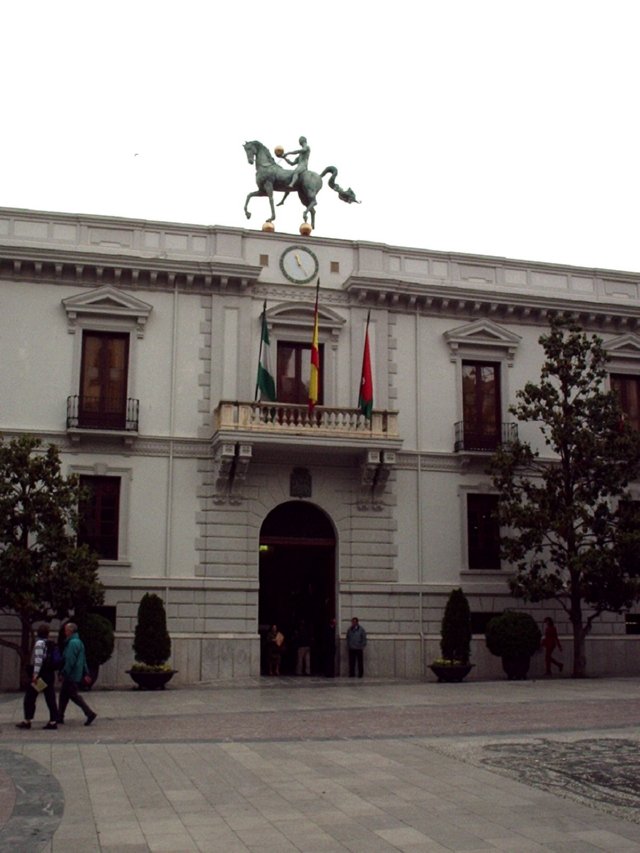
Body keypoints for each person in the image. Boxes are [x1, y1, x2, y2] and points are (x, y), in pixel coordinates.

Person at [15, 624, 59, 730]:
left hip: (41, 676)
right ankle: (53, 720)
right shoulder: (50, 643)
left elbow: (38, 660)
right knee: (50, 697)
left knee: (30, 696)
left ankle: (27, 720)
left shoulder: (39, 643)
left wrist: (35, 675)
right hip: (49, 674)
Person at [58, 622, 97, 726]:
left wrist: (63, 672)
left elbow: (69, 660)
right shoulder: (79, 642)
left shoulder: (72, 643)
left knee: (73, 695)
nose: (65, 632)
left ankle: (89, 713)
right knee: (64, 695)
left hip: (71, 674)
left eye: (66, 630)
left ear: (70, 631)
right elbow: (83, 660)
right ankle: (59, 716)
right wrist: (85, 673)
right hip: (76, 673)